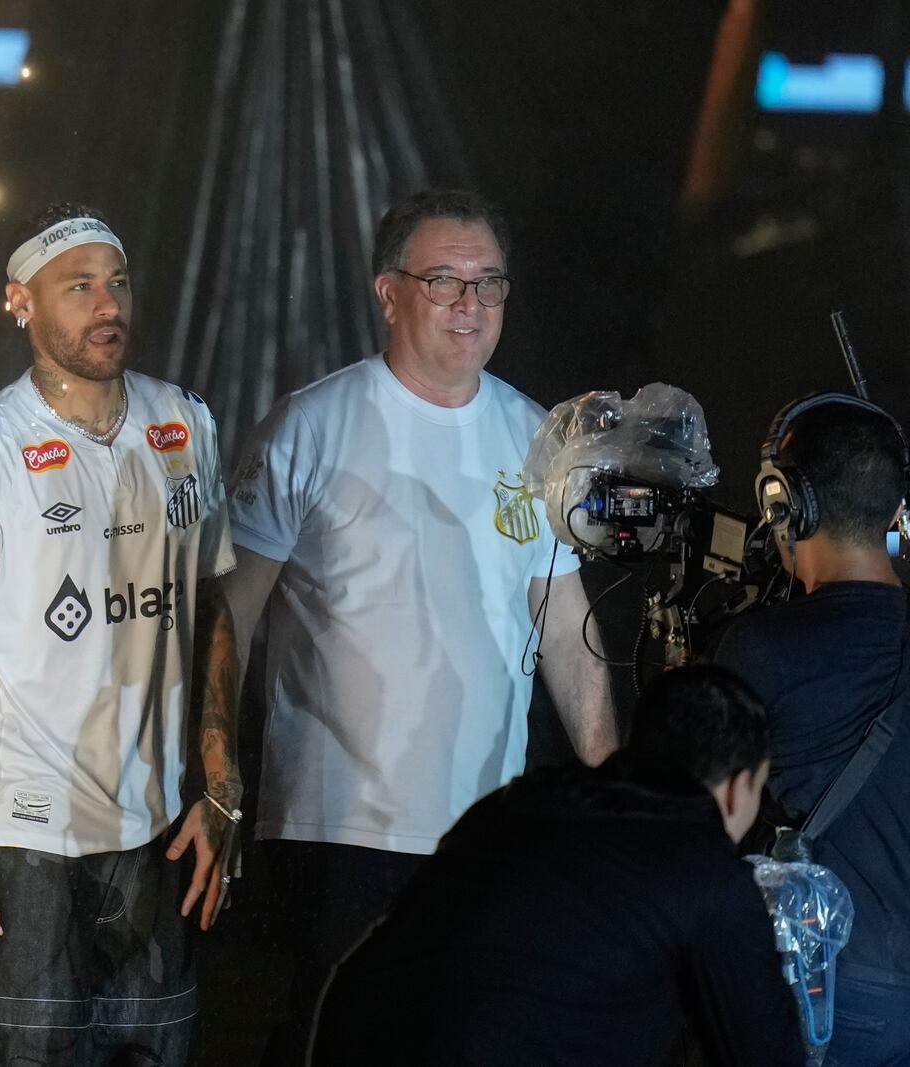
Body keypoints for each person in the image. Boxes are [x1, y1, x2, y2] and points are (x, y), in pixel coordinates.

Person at [221, 187, 619, 1063]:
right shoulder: (312, 424)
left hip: (485, 826)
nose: (470, 304)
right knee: (340, 1041)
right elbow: (233, 613)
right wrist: (215, 767)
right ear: (389, 293)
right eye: (443, 280)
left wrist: (609, 799)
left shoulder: (534, 436)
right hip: (341, 826)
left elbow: (565, 634)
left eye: (489, 283)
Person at [0, 203, 239, 1064]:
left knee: (152, 1052)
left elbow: (210, 607)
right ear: (21, 301)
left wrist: (218, 782)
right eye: (80, 285)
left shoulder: (185, 423)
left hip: (158, 821)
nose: (107, 305)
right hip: (27, 835)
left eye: (117, 282)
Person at [312, 666, 804, 1067]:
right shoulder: (710, 876)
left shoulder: (516, 804)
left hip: (351, 1034)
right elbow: (764, 1052)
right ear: (740, 788)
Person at [716, 393, 910, 1066]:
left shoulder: (762, 649)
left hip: (832, 995)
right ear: (895, 512)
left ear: (784, 505)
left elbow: (704, 826)